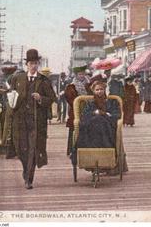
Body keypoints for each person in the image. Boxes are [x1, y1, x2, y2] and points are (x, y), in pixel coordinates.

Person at [9, 49, 56, 189]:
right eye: (31, 63)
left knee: (33, 149)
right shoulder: (17, 78)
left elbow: (53, 98)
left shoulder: (43, 80)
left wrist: (41, 98)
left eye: (36, 63)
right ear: (27, 64)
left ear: (38, 64)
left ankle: (29, 179)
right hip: (20, 120)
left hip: (37, 121)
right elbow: (11, 95)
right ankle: (26, 169)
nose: (33, 66)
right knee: (21, 148)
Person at [65, 65, 90, 156]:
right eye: (80, 74)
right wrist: (80, 102)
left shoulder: (89, 84)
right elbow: (69, 98)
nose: (82, 76)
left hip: (88, 111)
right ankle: (72, 150)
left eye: (83, 74)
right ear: (76, 75)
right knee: (74, 129)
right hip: (75, 111)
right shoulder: (71, 86)